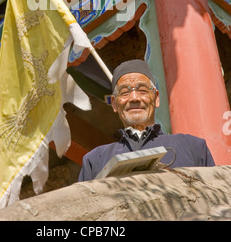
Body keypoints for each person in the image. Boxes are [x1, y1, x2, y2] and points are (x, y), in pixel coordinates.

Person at [78, 59, 215, 182]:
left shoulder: (193, 147)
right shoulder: (95, 161)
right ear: (114, 103)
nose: (134, 98)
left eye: (142, 90)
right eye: (125, 92)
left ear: (156, 98)